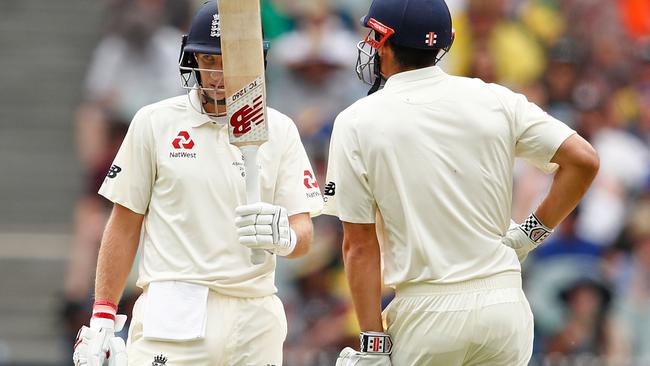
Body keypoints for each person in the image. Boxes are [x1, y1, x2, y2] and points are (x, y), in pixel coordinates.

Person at [325, 0, 599, 365]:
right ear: (446, 42)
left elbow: (358, 245)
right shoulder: (495, 98)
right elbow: (583, 161)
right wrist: (529, 234)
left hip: (427, 312)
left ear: (384, 41)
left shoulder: (356, 121)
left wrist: (372, 343)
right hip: (504, 308)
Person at [72, 1, 323, 365]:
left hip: (254, 315)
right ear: (192, 60)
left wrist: (285, 236)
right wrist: (103, 316)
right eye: (208, 61)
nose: (218, 75)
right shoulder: (154, 123)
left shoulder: (280, 129)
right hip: (174, 310)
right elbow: (124, 224)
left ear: (255, 61)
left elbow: (304, 232)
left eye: (229, 61)